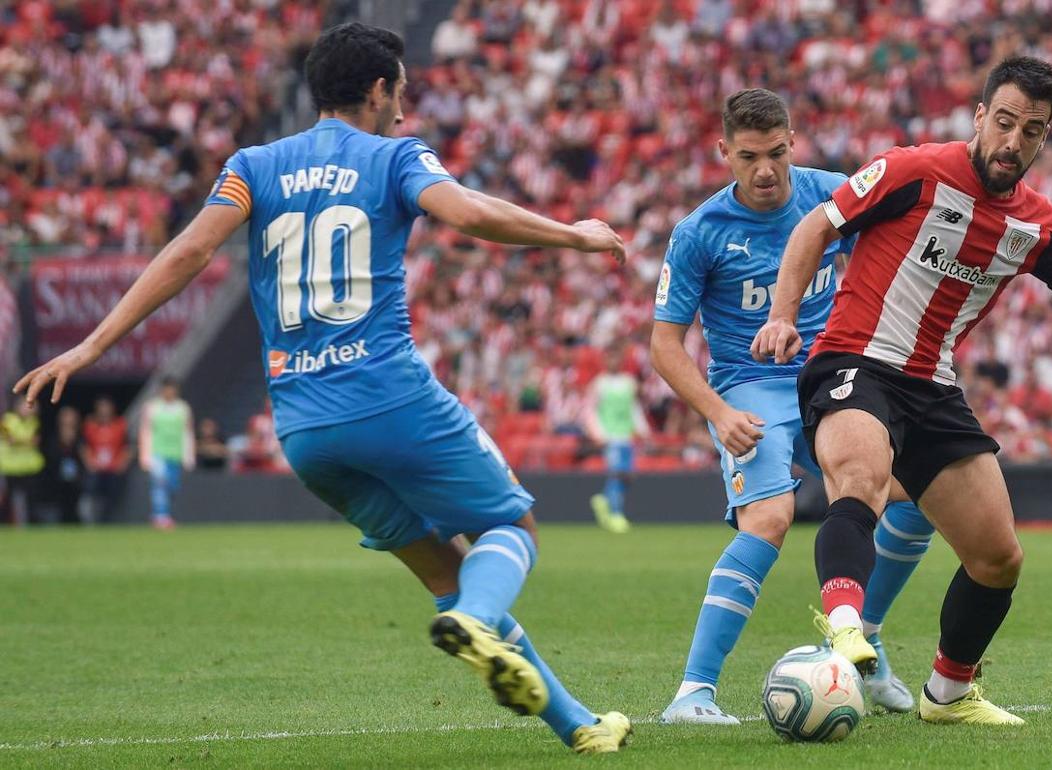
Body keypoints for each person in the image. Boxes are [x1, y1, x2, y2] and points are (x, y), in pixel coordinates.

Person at [13, 23, 629, 754]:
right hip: (390, 395)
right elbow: (465, 211)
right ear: (377, 90)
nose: (403, 110)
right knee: (510, 532)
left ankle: (578, 727)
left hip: (305, 430)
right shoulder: (396, 155)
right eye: (399, 93)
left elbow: (190, 250)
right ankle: (479, 623)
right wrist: (574, 234)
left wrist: (92, 344)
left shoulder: (253, 164)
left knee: (449, 576)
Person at [750, 56, 1052, 725]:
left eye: (1032, 131)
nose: (1014, 142)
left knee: (997, 556)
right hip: (856, 362)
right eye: (1005, 122)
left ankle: (948, 695)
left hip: (933, 388)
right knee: (860, 480)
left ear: (1045, 139)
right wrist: (782, 314)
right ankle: (846, 627)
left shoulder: (1035, 225)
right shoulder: (912, 169)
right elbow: (816, 227)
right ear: (980, 116)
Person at [651, 88, 933, 723]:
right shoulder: (699, 232)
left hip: (833, 380)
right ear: (724, 151)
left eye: (776, 153)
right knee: (770, 519)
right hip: (749, 390)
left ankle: (867, 635)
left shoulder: (833, 192)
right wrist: (718, 413)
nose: (765, 171)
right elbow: (664, 346)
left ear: (793, 142)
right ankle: (693, 693)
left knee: (919, 493)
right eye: (749, 156)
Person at [584, 345, 650, 534]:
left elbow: (634, 408)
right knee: (616, 474)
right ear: (605, 360)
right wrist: (598, 434)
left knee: (627, 476)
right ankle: (615, 513)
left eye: (616, 358)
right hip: (610, 437)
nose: (613, 362)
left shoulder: (629, 382)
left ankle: (603, 500)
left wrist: (642, 430)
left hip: (626, 436)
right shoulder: (599, 384)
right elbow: (591, 411)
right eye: (610, 358)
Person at [138, 378, 194, 529]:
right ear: (162, 390)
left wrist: (188, 456)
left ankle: (163, 513)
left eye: (172, 389)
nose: (170, 392)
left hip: (175, 453)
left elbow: (187, 432)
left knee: (172, 487)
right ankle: (160, 516)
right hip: (158, 453)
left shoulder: (183, 408)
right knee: (159, 484)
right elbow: (146, 432)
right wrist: (145, 456)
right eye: (167, 389)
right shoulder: (152, 407)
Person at [82, 396, 130, 522]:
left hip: (113, 469)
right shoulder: (90, 425)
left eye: (106, 407)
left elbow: (128, 447)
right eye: (101, 408)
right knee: (91, 494)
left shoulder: (120, 424)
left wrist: (122, 463)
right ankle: (91, 520)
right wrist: (89, 462)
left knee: (113, 497)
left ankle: (111, 521)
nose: (104, 411)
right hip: (96, 469)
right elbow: (84, 446)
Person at [0, 400, 44, 525]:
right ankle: (14, 522)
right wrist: (26, 441)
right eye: (27, 406)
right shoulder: (6, 420)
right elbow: (10, 440)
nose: (30, 410)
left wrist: (21, 441)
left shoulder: (34, 422)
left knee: (27, 498)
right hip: (10, 466)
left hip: (29, 466)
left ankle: (26, 522)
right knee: (12, 497)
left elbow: (36, 441)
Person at [43, 406, 84, 524]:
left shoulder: (80, 437)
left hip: (76, 478)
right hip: (56, 478)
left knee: (75, 501)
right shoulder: (53, 438)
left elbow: (84, 456)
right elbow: (50, 457)